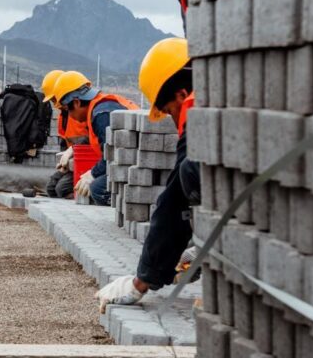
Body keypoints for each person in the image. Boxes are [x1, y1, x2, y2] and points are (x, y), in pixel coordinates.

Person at [95, 38, 201, 312]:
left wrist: (142, 280)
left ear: (180, 94)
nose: (173, 120)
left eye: (168, 112)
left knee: (191, 172)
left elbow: (174, 203)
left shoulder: (201, 112)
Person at [52, 71, 138, 206]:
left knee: (98, 188)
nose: (70, 116)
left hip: (136, 166)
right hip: (128, 161)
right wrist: (72, 150)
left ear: (76, 102)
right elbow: (102, 143)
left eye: (68, 110)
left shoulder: (101, 115)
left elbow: (112, 154)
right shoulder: (97, 110)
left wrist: (92, 174)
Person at [41, 70, 89, 198]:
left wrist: (72, 151)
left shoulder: (81, 112)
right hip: (73, 162)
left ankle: (84, 197)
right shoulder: (63, 118)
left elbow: (90, 140)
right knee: (51, 188)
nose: (54, 104)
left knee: (61, 189)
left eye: (54, 99)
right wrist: (64, 163)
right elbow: (64, 142)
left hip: (87, 162)